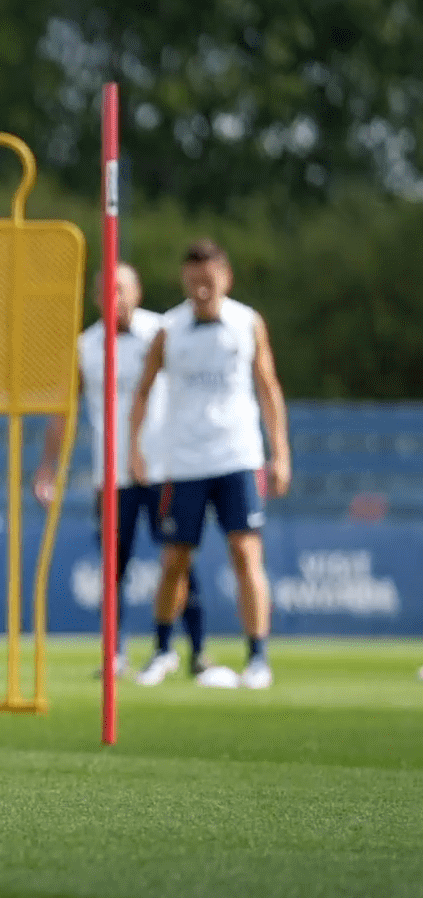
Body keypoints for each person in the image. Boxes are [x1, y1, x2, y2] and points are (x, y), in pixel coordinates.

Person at [129, 239, 291, 691]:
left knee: (245, 553)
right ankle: (162, 650)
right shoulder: (169, 329)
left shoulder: (247, 323)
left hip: (238, 455)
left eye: (210, 278)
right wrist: (136, 450)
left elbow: (268, 387)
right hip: (184, 461)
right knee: (175, 559)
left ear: (226, 277)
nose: (202, 287)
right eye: (194, 279)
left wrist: (280, 453)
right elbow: (142, 393)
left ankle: (258, 657)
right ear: (184, 279)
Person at [34, 262, 204, 679]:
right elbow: (64, 412)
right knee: (113, 568)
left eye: (122, 289)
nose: (115, 298)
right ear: (95, 298)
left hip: (162, 469)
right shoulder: (86, 346)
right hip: (109, 476)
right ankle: (116, 654)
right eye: (106, 291)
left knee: (178, 560)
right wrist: (48, 468)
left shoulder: (161, 333)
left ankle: (190, 651)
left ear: (138, 292)